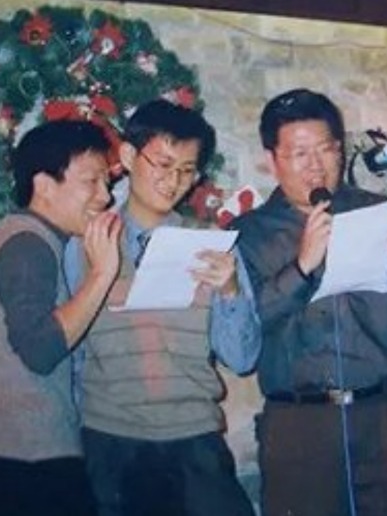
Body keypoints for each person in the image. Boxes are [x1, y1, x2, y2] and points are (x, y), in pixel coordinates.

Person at [233, 88, 387, 516]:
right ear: (272, 159)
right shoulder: (247, 235)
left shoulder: (383, 213)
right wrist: (301, 267)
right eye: (299, 153)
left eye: (326, 149)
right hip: (301, 424)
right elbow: (240, 330)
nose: (316, 165)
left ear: (340, 150)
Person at [66, 99, 260, 516]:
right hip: (111, 442)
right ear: (128, 156)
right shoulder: (83, 245)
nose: (174, 182)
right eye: (163, 164)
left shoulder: (213, 245)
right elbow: (72, 356)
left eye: (187, 170)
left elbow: (243, 359)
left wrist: (230, 292)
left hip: (195, 440)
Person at [0, 119, 119, 516]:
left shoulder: (15, 238)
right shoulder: (28, 245)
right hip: (34, 473)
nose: (106, 195)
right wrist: (102, 274)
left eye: (107, 181)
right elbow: (41, 351)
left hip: (8, 466)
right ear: (44, 185)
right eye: (92, 181)